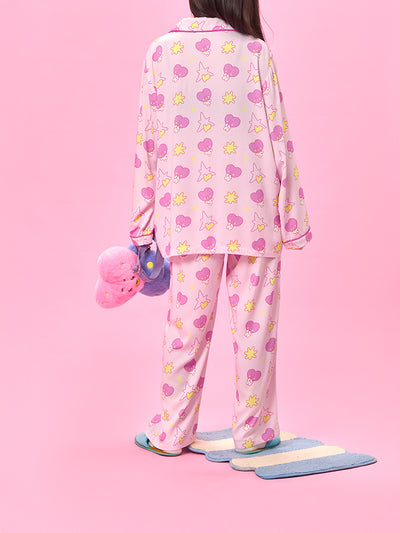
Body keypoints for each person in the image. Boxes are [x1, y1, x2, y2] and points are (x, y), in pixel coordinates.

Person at [129, 0, 312, 456]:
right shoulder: (255, 52)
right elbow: (279, 136)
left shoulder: (161, 51)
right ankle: (254, 432)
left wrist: (142, 225)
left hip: (188, 213)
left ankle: (171, 432)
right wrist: (293, 220)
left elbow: (147, 141)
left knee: (185, 329)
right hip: (255, 213)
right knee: (256, 331)